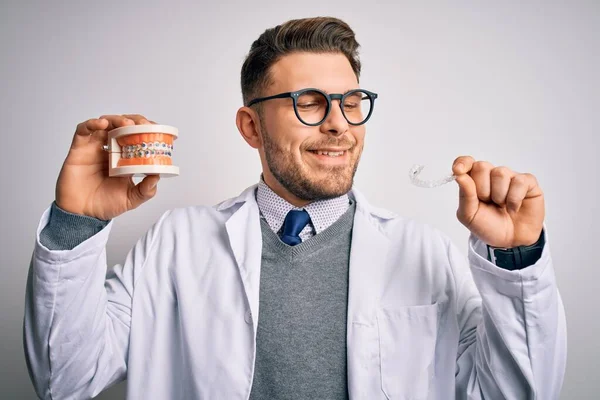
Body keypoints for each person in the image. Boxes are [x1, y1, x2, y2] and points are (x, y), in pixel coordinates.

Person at [23, 16, 566, 400]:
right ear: (250, 127)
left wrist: (515, 262)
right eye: (308, 103)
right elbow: (65, 379)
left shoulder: (421, 251)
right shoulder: (176, 244)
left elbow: (519, 391)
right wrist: (78, 223)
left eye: (352, 103)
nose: (338, 124)